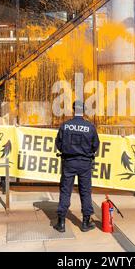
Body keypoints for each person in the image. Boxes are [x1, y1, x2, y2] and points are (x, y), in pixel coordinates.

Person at [53, 100, 100, 233]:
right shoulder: (90, 127)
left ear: (73, 109)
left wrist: (67, 151)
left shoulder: (65, 125)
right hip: (85, 163)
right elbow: (95, 145)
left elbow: (58, 143)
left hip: (69, 162)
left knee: (65, 190)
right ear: (84, 111)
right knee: (85, 191)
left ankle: (61, 222)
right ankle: (85, 222)